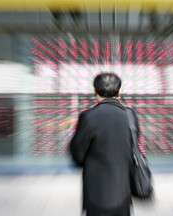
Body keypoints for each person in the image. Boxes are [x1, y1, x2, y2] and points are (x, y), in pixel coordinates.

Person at [70, 73, 139, 216]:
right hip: (123, 190)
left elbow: (77, 152)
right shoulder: (130, 116)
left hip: (96, 190)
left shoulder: (88, 116)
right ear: (118, 92)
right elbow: (134, 146)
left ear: (95, 91)